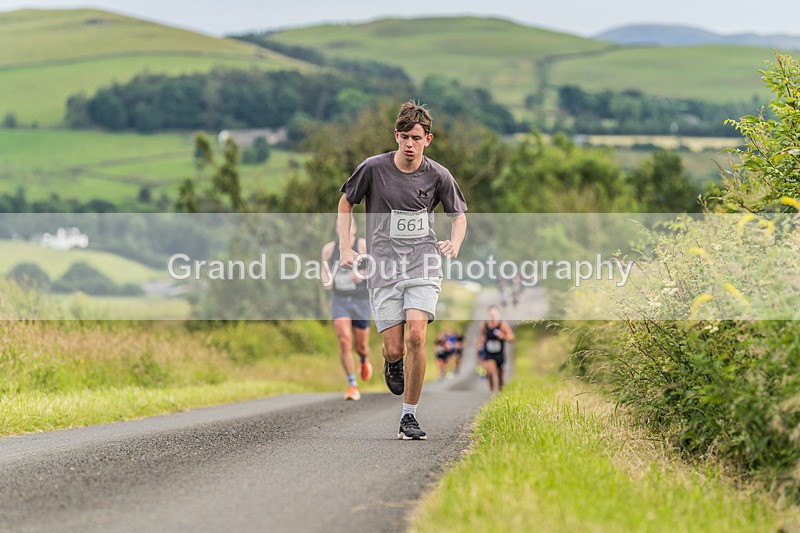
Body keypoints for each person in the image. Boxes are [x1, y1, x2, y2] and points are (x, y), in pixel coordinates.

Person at [337, 101, 468, 440]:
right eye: (405, 137)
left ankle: (409, 416)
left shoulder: (439, 175)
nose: (410, 144)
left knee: (417, 336)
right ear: (396, 136)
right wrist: (347, 246)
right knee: (395, 348)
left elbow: (459, 216)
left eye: (417, 138)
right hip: (383, 269)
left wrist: (454, 243)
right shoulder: (373, 169)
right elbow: (345, 202)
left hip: (423, 263)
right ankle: (392, 361)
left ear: (429, 139)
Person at [321, 219, 373, 401]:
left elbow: (376, 266)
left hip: (360, 300)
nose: (343, 227)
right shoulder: (330, 249)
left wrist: (361, 274)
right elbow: (324, 269)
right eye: (340, 225)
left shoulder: (362, 245)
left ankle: (364, 360)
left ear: (354, 228)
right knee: (344, 339)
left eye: (348, 224)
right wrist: (326, 280)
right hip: (340, 299)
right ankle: (352, 384)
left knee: (361, 346)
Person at [477, 305, 515, 393]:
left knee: (500, 375)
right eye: (491, 314)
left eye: (494, 314)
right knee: (490, 371)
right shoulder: (484, 325)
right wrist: (480, 343)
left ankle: (501, 392)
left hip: (499, 354)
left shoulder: (502, 325)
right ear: (488, 314)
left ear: (498, 314)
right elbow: (482, 336)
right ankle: (492, 392)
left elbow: (511, 337)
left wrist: (503, 336)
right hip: (489, 353)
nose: (493, 316)